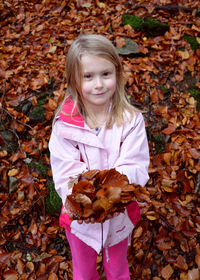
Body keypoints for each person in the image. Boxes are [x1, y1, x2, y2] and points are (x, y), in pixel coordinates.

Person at [49, 34, 149, 280]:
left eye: (106, 74)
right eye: (88, 76)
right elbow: (65, 173)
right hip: (80, 221)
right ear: (74, 79)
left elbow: (135, 163)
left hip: (119, 216)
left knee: (117, 268)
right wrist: (87, 203)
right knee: (83, 272)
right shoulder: (64, 127)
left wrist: (113, 196)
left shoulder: (131, 121)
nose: (99, 84)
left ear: (117, 74)